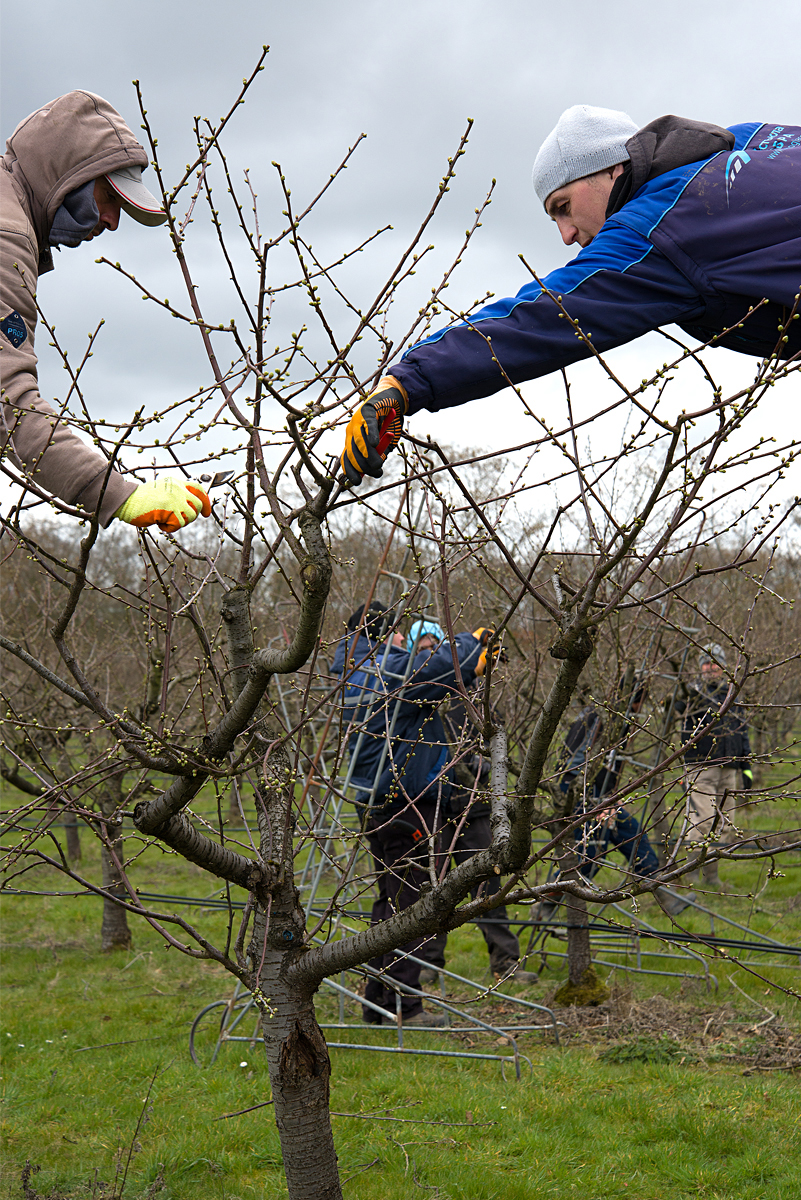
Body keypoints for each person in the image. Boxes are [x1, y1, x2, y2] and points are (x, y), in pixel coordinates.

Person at [340, 106, 801, 485]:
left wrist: (406, 382)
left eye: (563, 208)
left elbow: (545, 318)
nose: (566, 234)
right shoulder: (753, 138)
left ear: (611, 170)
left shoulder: (657, 230)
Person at [1, 91, 211, 532]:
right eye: (110, 198)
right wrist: (120, 494)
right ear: (67, 175)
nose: (114, 221)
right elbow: (10, 407)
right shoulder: (6, 238)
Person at [332, 604, 483, 1026]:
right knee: (412, 904)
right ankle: (406, 1006)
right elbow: (438, 669)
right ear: (385, 635)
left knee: (391, 901)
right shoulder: (383, 665)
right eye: (398, 634)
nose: (403, 640)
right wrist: (475, 643)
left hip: (375, 799)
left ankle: (377, 1004)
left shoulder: (351, 667)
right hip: (406, 800)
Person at [414, 654, 538, 986]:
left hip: (473, 807)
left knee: (488, 884)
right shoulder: (419, 700)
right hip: (434, 809)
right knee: (433, 886)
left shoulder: (472, 699)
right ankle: (427, 962)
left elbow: (495, 746)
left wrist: (477, 770)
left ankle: (505, 961)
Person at [533, 682, 692, 920]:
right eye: (637, 705)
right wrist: (594, 803)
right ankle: (545, 907)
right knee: (587, 857)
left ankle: (662, 893)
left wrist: (609, 799)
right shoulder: (597, 719)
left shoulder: (617, 721)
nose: (639, 711)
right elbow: (572, 767)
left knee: (633, 831)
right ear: (628, 701)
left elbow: (610, 767)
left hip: (600, 797)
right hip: (577, 794)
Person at [674, 644, 752, 889]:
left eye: (714, 662)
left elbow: (743, 731)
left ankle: (712, 877)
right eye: (705, 663)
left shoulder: (732, 694)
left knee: (724, 824)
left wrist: (746, 767)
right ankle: (691, 875)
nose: (710, 667)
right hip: (701, 766)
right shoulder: (693, 694)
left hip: (729, 768)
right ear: (700, 668)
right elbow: (674, 708)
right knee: (703, 821)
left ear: (722, 666)